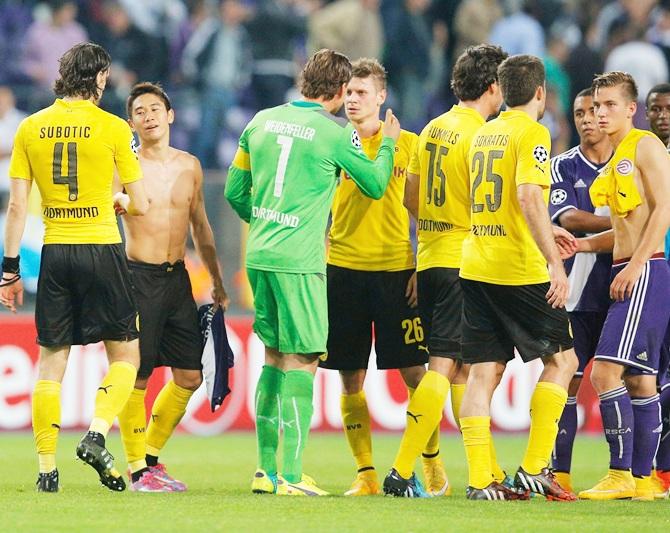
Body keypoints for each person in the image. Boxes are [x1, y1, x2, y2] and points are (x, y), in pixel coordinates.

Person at [224, 49, 400, 496]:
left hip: (259, 256)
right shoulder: (335, 133)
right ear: (341, 91)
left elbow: (233, 191)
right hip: (299, 262)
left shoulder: (259, 121)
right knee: (302, 359)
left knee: (272, 356)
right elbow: (377, 185)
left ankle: (264, 471)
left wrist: (265, 220)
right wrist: (391, 143)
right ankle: (293, 476)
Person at [0, 43, 150, 492]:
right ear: (100, 78)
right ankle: (97, 433)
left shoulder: (30, 127)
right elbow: (139, 203)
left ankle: (47, 468)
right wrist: (121, 198)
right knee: (125, 354)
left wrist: (8, 271)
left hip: (55, 251)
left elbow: (17, 207)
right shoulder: (113, 128)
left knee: (51, 360)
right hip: (101, 247)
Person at [382, 44, 508, 498]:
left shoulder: (433, 129)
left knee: (460, 369)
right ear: (494, 87)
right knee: (445, 364)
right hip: (464, 260)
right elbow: (489, 205)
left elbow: (410, 198)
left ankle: (487, 468)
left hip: (432, 258)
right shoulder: (483, 136)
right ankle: (399, 471)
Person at [457, 54, 578, 501]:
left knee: (483, 371)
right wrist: (554, 261)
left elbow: (506, 200)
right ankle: (533, 467)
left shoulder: (484, 133)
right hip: (518, 267)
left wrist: (549, 227)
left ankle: (479, 479)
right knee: (563, 361)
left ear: (502, 91)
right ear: (541, 92)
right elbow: (528, 196)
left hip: (476, 263)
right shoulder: (534, 132)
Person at [320, 57, 440, 497]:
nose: (352, 100)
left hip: (395, 271)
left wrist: (419, 263)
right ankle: (366, 473)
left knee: (414, 373)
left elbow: (421, 210)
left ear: (382, 97)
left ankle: (429, 463)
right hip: (345, 271)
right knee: (349, 376)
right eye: (348, 93)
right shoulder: (332, 142)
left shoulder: (407, 144)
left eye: (361, 93)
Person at [114, 82, 229, 492]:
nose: (149, 116)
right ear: (131, 123)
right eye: (140, 111)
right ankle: (138, 468)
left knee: (188, 376)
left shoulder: (191, 166)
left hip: (178, 278)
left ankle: (148, 459)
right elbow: (106, 207)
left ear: (170, 115)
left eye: (155, 108)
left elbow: (201, 227)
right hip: (137, 277)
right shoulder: (123, 166)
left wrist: (216, 279)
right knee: (138, 376)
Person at [571, 72, 670, 501]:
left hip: (644, 270)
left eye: (609, 105)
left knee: (604, 372)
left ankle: (619, 473)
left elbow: (665, 207)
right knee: (641, 381)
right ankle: (646, 479)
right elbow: (624, 226)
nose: (599, 113)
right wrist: (582, 244)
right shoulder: (617, 157)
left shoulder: (645, 145)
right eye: (596, 106)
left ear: (632, 108)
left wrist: (637, 265)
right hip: (631, 266)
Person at [548, 88, 613, 492]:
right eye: (579, 113)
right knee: (567, 380)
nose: (587, 119)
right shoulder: (563, 166)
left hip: (623, 291)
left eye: (593, 111)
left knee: (632, 381)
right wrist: (621, 227)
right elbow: (567, 217)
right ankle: (561, 475)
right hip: (574, 295)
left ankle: (635, 476)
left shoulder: (630, 161)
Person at [646, 83, 670, 493]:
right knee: (654, 375)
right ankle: (658, 472)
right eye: (656, 108)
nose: (663, 115)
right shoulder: (636, 158)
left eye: (669, 108)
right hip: (653, 274)